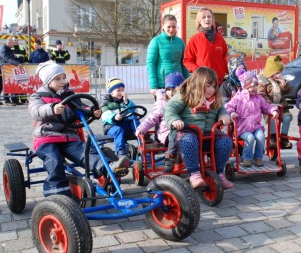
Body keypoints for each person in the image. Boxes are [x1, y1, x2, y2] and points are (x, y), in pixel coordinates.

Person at [29, 61, 130, 197]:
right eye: (57, 79)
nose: (62, 81)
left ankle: (109, 167)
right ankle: (56, 194)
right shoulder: (38, 96)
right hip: (47, 137)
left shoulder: (69, 95)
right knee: (54, 161)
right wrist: (51, 109)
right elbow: (36, 110)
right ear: (47, 81)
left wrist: (92, 111)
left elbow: (81, 108)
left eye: (63, 78)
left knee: (85, 153)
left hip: (69, 137)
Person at [164, 66, 233, 189]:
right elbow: (170, 109)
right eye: (208, 86)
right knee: (189, 140)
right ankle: (194, 173)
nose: (211, 90)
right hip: (187, 131)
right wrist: (175, 120)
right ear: (198, 84)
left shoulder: (215, 98)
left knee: (226, 142)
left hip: (208, 134)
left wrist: (224, 115)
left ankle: (218, 172)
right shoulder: (185, 94)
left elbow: (222, 109)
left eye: (213, 86)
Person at [225, 71, 279, 167]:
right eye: (251, 86)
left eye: (255, 86)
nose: (254, 88)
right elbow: (229, 106)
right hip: (242, 128)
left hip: (256, 126)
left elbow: (266, 106)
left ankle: (258, 157)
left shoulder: (259, 98)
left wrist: (273, 111)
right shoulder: (239, 98)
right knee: (250, 138)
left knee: (261, 136)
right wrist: (232, 112)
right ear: (245, 86)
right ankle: (247, 158)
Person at [136, 72, 185, 172]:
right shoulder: (162, 102)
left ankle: (187, 162)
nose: (171, 92)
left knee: (189, 138)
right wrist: (141, 129)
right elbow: (152, 117)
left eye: (175, 90)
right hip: (165, 133)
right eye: (168, 89)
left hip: (183, 130)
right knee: (179, 138)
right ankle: (173, 160)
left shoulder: (186, 101)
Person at [146, 14, 189, 99]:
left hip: (178, 84)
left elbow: (183, 63)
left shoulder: (180, 42)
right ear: (163, 26)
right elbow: (150, 64)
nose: (171, 29)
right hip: (162, 84)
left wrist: (187, 81)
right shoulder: (156, 41)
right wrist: (153, 86)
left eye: (174, 27)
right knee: (162, 110)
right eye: (169, 27)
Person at [183, 8, 228, 85]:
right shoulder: (194, 40)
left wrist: (232, 71)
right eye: (203, 17)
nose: (207, 19)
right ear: (199, 21)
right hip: (202, 82)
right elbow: (187, 61)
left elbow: (225, 58)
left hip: (218, 82)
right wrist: (199, 70)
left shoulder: (220, 39)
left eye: (209, 17)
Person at [258, 55, 293, 149]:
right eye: (277, 73)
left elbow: (288, 91)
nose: (279, 75)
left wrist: (283, 83)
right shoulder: (262, 81)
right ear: (270, 72)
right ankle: (272, 138)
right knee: (273, 119)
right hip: (269, 108)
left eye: (280, 72)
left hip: (282, 107)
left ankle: (284, 138)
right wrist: (269, 103)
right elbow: (261, 94)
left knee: (287, 118)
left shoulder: (280, 80)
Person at [101, 77, 141, 158]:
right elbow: (105, 115)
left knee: (134, 119)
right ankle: (121, 152)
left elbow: (134, 110)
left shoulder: (124, 101)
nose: (121, 92)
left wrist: (126, 101)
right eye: (118, 90)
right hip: (111, 127)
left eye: (122, 90)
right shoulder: (106, 103)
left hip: (124, 125)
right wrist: (114, 117)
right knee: (118, 130)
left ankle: (143, 144)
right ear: (111, 92)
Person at [0, 38, 24, 106]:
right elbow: (7, 59)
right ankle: (7, 101)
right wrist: (17, 63)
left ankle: (14, 100)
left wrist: (15, 57)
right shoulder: (3, 49)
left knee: (13, 84)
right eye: (12, 43)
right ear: (9, 43)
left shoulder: (8, 49)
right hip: (5, 69)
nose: (13, 44)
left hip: (10, 69)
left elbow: (11, 57)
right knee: (7, 84)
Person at [11, 36, 29, 104]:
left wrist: (27, 66)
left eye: (16, 40)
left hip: (22, 69)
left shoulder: (22, 48)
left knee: (23, 84)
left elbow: (25, 57)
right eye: (14, 40)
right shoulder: (10, 49)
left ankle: (23, 99)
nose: (15, 41)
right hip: (13, 69)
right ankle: (15, 100)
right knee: (14, 84)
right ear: (12, 41)